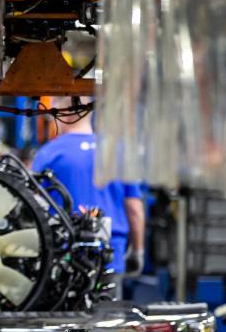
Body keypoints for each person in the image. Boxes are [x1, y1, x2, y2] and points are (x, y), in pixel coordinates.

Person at [31, 98, 146, 290]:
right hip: (111, 253)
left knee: (64, 315)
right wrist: (137, 250)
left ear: (62, 112)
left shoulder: (49, 154)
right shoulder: (118, 152)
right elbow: (134, 208)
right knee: (109, 315)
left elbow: (32, 204)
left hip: (62, 255)